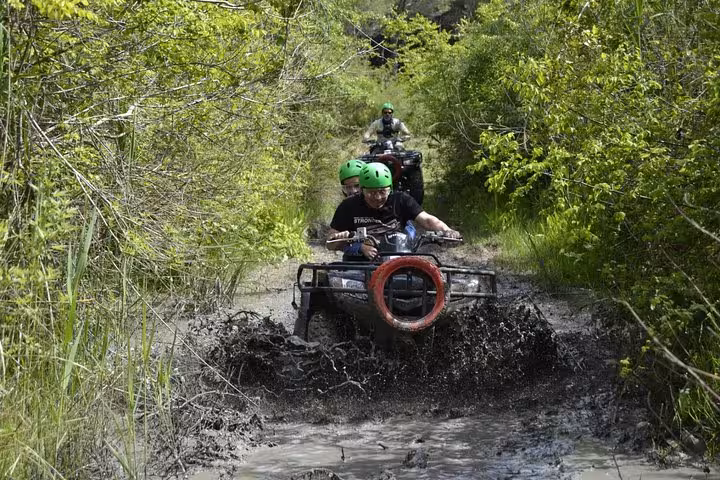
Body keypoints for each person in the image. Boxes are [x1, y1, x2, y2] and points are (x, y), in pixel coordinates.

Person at [327, 163, 460, 260]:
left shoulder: (401, 199)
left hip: (399, 257)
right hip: (360, 263)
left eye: (382, 192)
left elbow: (427, 220)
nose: (378, 197)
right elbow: (330, 242)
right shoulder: (348, 205)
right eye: (371, 193)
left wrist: (447, 230)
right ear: (362, 190)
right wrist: (340, 238)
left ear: (390, 188)